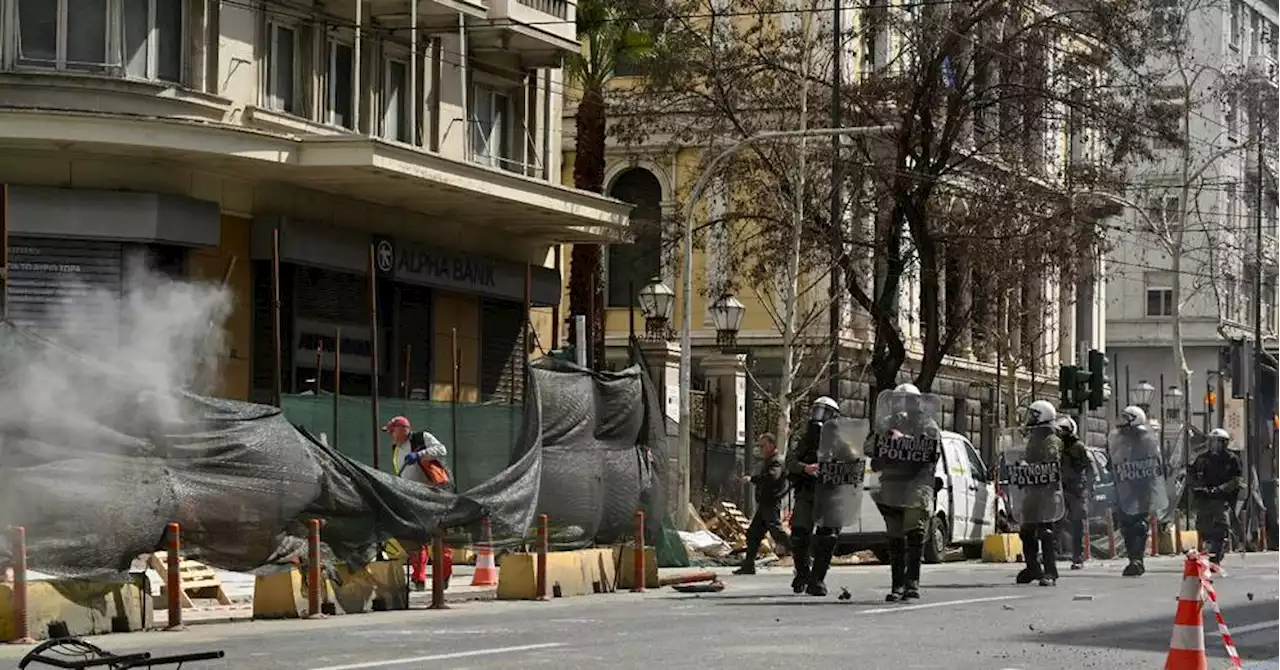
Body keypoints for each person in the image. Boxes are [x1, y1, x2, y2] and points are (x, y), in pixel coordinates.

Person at [870, 383, 942, 602]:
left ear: (916, 402)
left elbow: (931, 453)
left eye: (907, 400)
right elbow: (871, 449)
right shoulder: (887, 423)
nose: (902, 404)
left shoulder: (928, 425)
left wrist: (905, 441)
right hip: (891, 487)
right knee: (894, 538)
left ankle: (912, 583)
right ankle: (897, 585)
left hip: (916, 486)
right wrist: (883, 441)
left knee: (914, 534)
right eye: (898, 399)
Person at [384, 415, 454, 591]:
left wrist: (420, 454)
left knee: (439, 537)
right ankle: (419, 578)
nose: (390, 435)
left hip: (434, 496)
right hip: (412, 499)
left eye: (392, 431)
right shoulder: (396, 449)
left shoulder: (421, 438)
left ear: (403, 430)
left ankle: (443, 576)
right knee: (416, 540)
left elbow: (441, 449)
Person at [785, 396, 841, 596]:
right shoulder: (803, 437)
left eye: (825, 412)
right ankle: (802, 573)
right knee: (799, 534)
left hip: (830, 494)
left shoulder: (840, 438)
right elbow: (790, 461)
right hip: (807, 491)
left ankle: (817, 580)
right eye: (817, 410)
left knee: (827, 538)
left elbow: (853, 461)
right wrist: (805, 468)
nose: (819, 416)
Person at [1108, 405, 1167, 577]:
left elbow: (1156, 463)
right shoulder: (1117, 440)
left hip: (1142, 487)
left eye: (1126, 419)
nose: (1122, 423)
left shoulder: (1147, 439)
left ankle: (1138, 559)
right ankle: (1132, 558)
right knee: (1126, 524)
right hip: (1124, 486)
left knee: (1139, 523)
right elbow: (1111, 461)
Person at [1013, 400, 1065, 587]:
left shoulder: (1051, 439)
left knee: (1045, 531)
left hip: (1046, 493)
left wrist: (1031, 467)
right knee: (1026, 532)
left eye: (1033, 415)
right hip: (1031, 492)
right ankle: (1033, 567)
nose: (1029, 419)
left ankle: (1050, 571)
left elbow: (1051, 464)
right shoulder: (1034, 438)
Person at [734, 433, 791, 575]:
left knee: (777, 533)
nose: (761, 449)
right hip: (765, 503)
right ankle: (748, 565)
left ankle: (804, 555)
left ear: (772, 445)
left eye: (763, 445)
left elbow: (772, 476)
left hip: (770, 503)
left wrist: (752, 479)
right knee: (753, 533)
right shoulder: (770, 460)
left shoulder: (776, 461)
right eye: (760, 446)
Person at [1190, 428, 1243, 565]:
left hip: (1221, 498)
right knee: (1203, 526)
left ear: (1224, 443)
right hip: (1205, 498)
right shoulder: (1202, 458)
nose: (1214, 445)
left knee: (1221, 526)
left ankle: (1218, 553)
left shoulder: (1231, 459)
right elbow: (1193, 475)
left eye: (1218, 442)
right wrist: (1199, 488)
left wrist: (1220, 489)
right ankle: (1207, 551)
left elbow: (1236, 479)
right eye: (1212, 441)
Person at [1055, 415, 1092, 570]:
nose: (1062, 433)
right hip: (1060, 488)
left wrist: (1089, 488)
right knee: (1054, 522)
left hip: (1075, 489)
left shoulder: (1079, 447)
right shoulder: (1057, 446)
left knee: (1077, 524)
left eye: (1064, 430)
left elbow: (1089, 468)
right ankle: (1053, 553)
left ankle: (1078, 556)